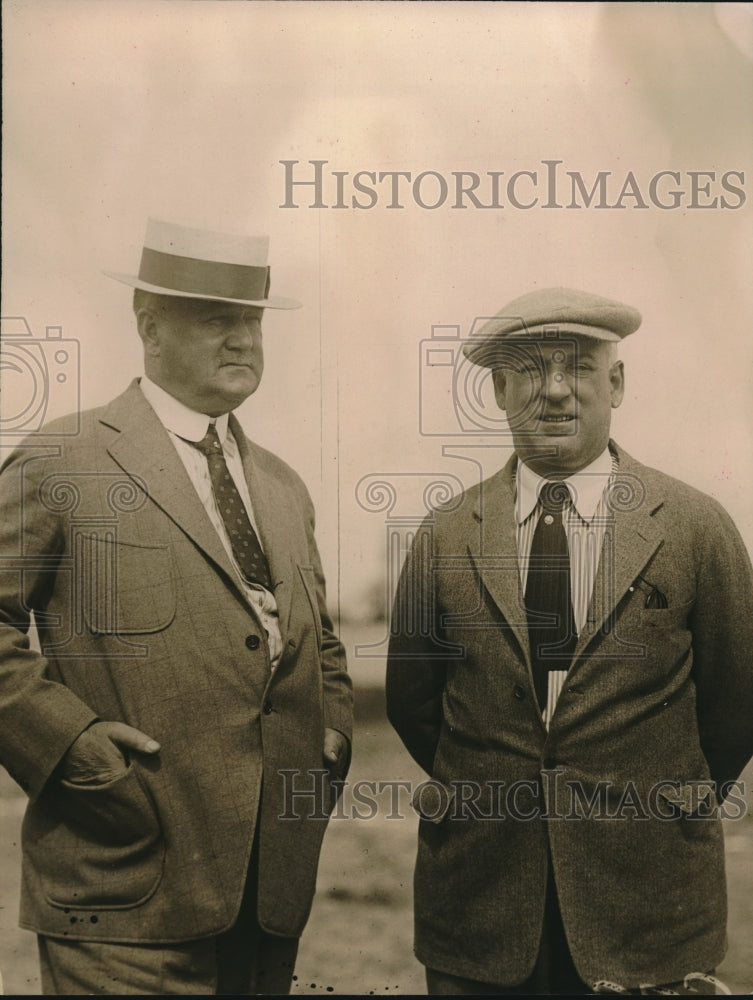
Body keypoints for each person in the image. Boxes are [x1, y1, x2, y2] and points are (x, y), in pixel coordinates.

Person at [0, 218, 353, 995]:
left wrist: (330, 731)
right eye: (214, 319)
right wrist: (72, 747)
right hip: (120, 885)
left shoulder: (283, 486)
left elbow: (315, 640)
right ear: (149, 327)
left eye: (251, 321)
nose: (241, 341)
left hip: (267, 897)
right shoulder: (66, 457)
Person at [386, 287, 753, 995]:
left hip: (647, 905)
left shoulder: (693, 525)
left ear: (615, 382)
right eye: (528, 371)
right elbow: (414, 702)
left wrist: (657, 807)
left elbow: (735, 702)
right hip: (482, 900)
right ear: (497, 390)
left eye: (578, 367)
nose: (554, 392)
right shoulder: (442, 535)